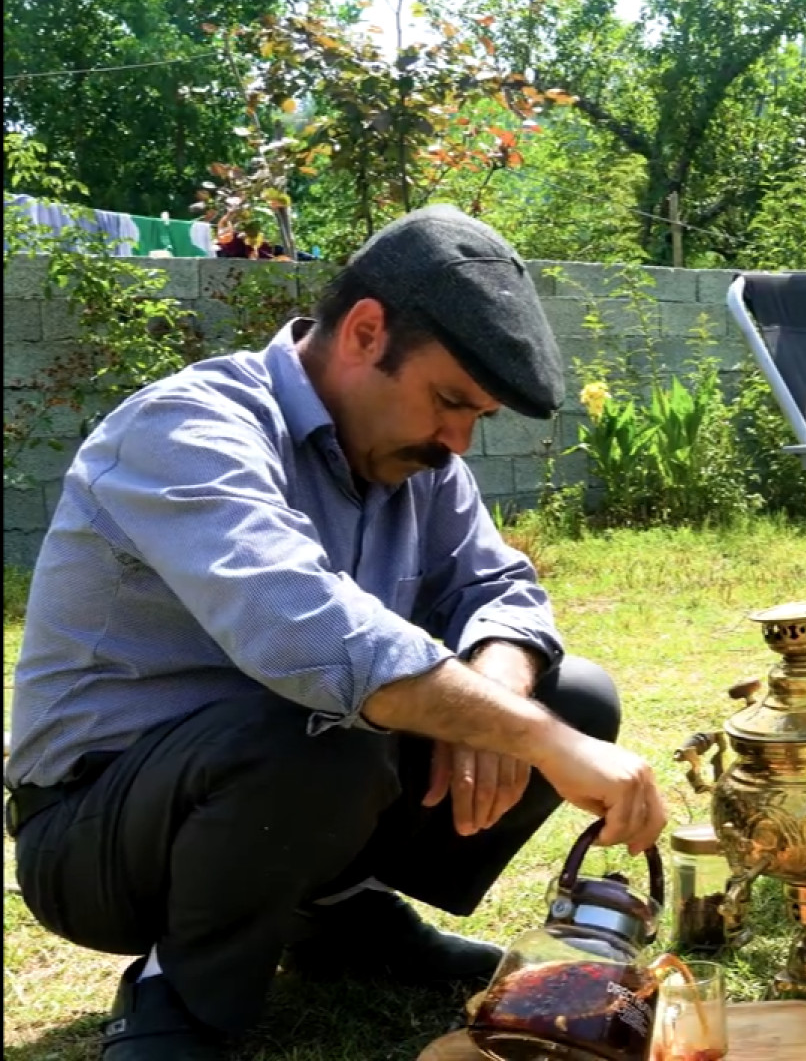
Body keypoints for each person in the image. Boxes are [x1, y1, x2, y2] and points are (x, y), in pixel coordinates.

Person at [4, 205, 669, 1059]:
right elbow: (303, 632)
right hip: (98, 835)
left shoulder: (418, 461)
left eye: (479, 417)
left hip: (277, 782)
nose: (459, 439)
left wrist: (505, 701)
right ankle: (180, 995)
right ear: (364, 332)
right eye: (449, 401)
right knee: (320, 729)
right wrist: (527, 735)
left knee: (570, 695)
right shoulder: (188, 427)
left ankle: (336, 914)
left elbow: (499, 585)